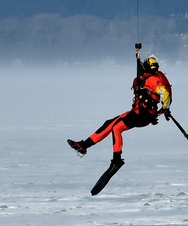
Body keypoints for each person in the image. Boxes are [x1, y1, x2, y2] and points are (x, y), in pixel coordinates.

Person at [67, 43, 173, 195]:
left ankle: (116, 160)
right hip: (140, 113)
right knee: (109, 123)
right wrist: (161, 111)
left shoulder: (153, 80)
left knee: (116, 128)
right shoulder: (150, 78)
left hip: (141, 114)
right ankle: (84, 145)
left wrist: (164, 109)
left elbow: (165, 94)